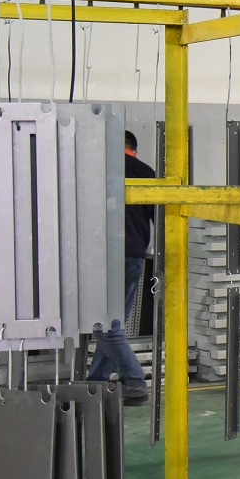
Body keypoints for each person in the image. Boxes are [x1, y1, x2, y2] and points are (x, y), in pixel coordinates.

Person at [87, 129, 156, 405]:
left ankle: (135, 383)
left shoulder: (98, 169)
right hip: (133, 258)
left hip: (104, 256)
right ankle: (95, 383)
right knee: (112, 324)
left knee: (105, 326)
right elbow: (160, 218)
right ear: (133, 150)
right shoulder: (147, 172)